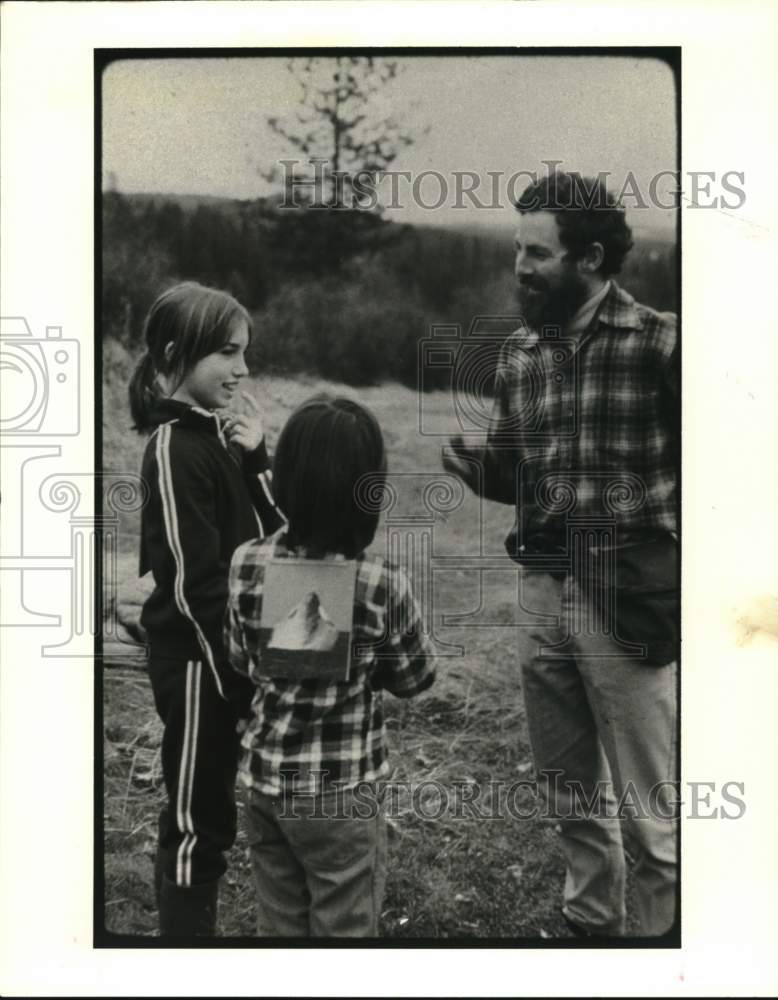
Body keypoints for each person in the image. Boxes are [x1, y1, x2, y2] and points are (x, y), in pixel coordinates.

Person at [443, 171, 679, 937]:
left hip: (628, 602)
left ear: (593, 258)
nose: (520, 267)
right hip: (541, 598)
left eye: (537, 253)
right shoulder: (519, 354)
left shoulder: (664, 345)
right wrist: (478, 470)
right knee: (571, 798)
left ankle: (657, 959)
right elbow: (520, 477)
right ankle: (589, 935)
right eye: (517, 249)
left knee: (653, 821)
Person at [225, 394, 436, 937]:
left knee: (281, 924)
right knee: (344, 929)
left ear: (285, 477)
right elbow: (416, 678)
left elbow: (241, 659)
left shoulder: (246, 561)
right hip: (341, 792)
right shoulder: (380, 581)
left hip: (265, 781)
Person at [128, 281, 284, 936]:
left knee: (216, 810)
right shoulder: (173, 448)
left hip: (228, 657)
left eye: (244, 352)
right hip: (198, 667)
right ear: (176, 354)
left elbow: (284, 542)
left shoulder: (221, 441)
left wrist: (255, 462)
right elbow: (194, 586)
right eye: (227, 352)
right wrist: (234, 677)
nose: (243, 369)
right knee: (198, 820)